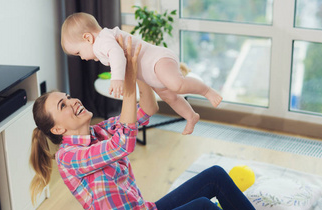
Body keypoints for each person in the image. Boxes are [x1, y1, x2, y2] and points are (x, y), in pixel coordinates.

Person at [29, 35, 322, 210]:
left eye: (67, 96)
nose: (72, 102)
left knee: (215, 176)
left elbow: (147, 111)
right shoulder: (70, 157)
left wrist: (137, 68)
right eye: (62, 105)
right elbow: (123, 146)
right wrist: (123, 74)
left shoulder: (100, 131)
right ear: (57, 128)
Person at [60, 12, 223, 135]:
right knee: (170, 97)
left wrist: (117, 79)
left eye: (78, 52)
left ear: (87, 38)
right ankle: (191, 116)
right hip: (151, 74)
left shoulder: (102, 40)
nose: (81, 57)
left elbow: (117, 54)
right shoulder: (102, 46)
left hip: (158, 60)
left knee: (176, 85)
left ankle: (207, 90)